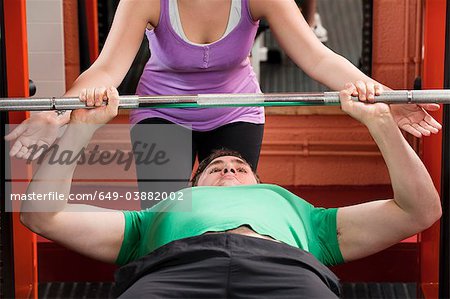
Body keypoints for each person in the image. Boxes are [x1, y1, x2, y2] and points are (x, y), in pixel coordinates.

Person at [19, 85, 442, 298]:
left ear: (262, 187)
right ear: (192, 187)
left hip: (285, 272)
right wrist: (81, 128)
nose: (227, 167)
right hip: (173, 273)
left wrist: (381, 123)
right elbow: (40, 216)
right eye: (215, 167)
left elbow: (420, 210)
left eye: (239, 166)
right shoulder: (153, 216)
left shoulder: (305, 215)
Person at [5, 0, 441, 171]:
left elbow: (318, 57)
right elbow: (105, 71)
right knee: (166, 219)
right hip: (162, 112)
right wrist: (55, 112)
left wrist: (385, 98)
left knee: (228, 212)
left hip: (237, 110)